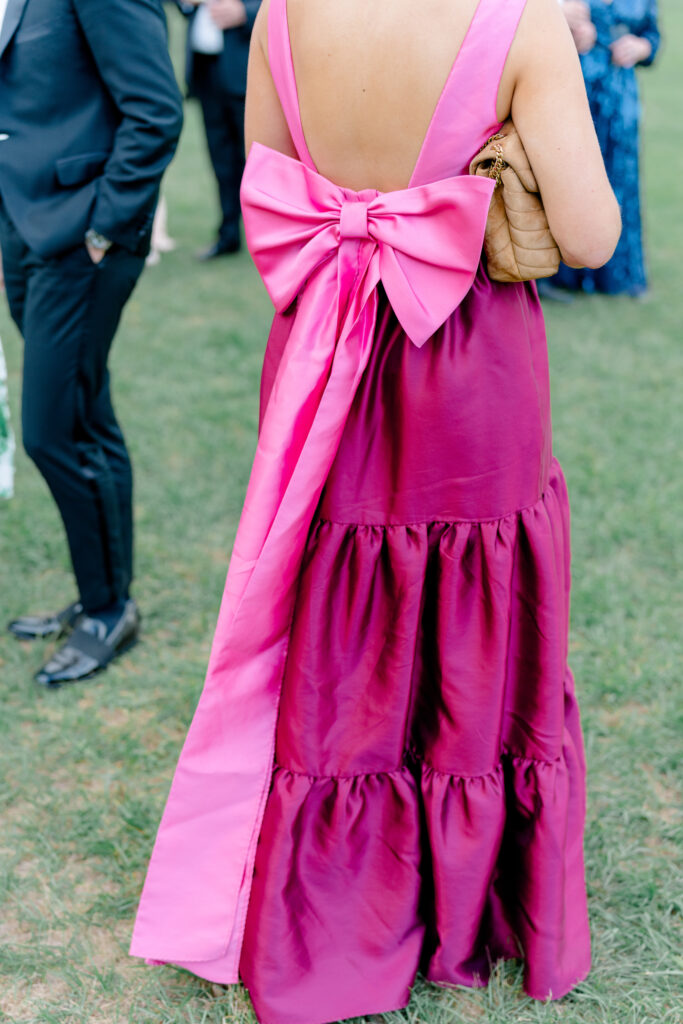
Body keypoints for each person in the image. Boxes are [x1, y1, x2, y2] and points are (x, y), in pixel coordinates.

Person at [130, 0, 621, 1020]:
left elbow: (270, 180)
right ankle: (454, 887)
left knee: (338, 606)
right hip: (464, 359)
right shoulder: (518, 22)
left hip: (324, 350)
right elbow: (587, 234)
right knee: (467, 610)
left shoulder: (276, 16)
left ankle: (336, 889)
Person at [0, 0, 183, 684]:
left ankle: (108, 610)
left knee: (53, 430)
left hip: (85, 237)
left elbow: (157, 110)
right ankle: (103, 597)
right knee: (84, 415)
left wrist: (104, 227)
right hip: (25, 226)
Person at [549, 0, 660, 296]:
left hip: (620, 98)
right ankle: (562, 274)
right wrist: (566, 28)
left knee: (619, 183)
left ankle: (617, 275)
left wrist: (640, 47)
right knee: (572, 180)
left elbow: (653, 38)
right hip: (574, 90)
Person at [177, 0, 261, 260]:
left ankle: (272, 240)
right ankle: (228, 235)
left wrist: (244, 12)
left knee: (258, 162)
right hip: (205, 71)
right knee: (221, 160)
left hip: (244, 72)